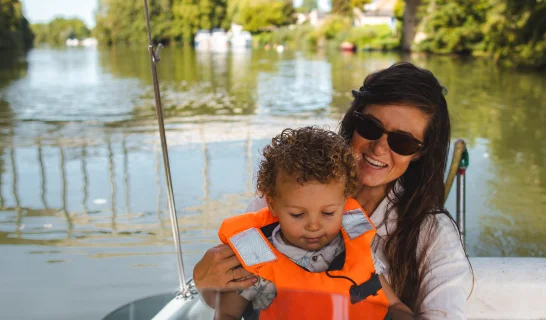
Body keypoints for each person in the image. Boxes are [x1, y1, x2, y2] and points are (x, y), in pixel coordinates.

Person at [194, 62, 472, 319]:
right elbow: (229, 300)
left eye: (403, 142)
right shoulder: (282, 195)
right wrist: (204, 281)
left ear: (420, 154)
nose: (379, 148)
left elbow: (388, 302)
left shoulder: (430, 233)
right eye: (370, 127)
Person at [213, 126, 412, 319]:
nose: (314, 226)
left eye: (328, 213)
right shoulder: (256, 257)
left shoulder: (355, 250)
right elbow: (228, 314)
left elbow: (394, 305)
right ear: (273, 205)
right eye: (298, 215)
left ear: (344, 203)